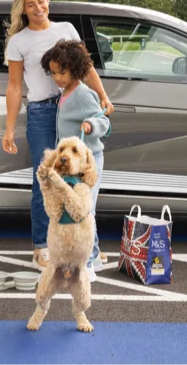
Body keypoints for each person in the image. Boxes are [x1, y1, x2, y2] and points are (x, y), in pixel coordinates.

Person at [2, 0, 113, 269]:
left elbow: (84, 68)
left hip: (71, 107)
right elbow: (14, 87)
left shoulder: (66, 30)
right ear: (22, 10)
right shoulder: (19, 41)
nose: (38, 7)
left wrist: (102, 96)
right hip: (41, 113)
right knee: (46, 180)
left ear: (47, 0)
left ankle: (91, 247)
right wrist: (10, 128)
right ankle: (41, 246)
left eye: (41, 0)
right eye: (30, 4)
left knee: (80, 178)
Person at [40, 39, 111, 281]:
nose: (58, 77)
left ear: (75, 68)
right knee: (86, 208)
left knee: (82, 211)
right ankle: (96, 254)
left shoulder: (81, 94)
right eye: (54, 73)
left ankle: (88, 264)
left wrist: (91, 125)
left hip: (88, 162)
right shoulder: (66, 93)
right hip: (73, 164)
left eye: (63, 72)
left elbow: (105, 121)